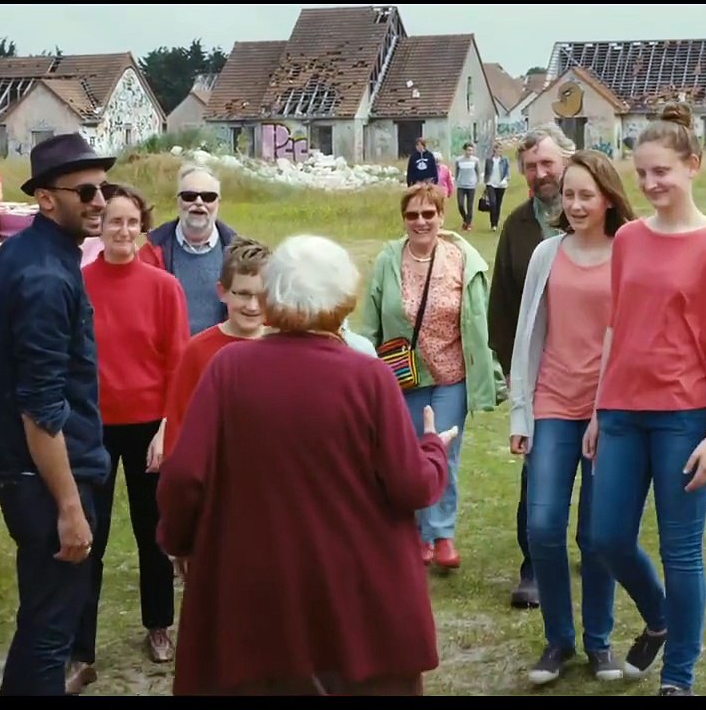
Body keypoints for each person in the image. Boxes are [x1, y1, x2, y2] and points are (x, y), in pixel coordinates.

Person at [156, 234, 457, 696]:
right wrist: (433, 448)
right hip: (357, 592)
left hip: (258, 585)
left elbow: (183, 475)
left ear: (273, 297)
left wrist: (179, 541)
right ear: (342, 300)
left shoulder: (229, 369)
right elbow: (410, 484)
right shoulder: (369, 376)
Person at [584, 102, 706, 697]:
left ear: (693, 167)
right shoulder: (628, 239)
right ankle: (658, 618)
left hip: (684, 417)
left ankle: (678, 676)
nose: (652, 184)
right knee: (605, 538)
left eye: (663, 172)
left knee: (682, 553)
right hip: (623, 414)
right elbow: (614, 326)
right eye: (643, 173)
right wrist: (600, 410)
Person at [0, 132, 117, 696]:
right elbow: (41, 408)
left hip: (35, 472)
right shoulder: (45, 276)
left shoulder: (37, 254)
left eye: (106, 189)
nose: (100, 201)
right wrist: (70, 509)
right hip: (45, 477)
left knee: (41, 622)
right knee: (52, 631)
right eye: (87, 192)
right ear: (47, 199)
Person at [509, 149, 662, 686]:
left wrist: (608, 409)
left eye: (585, 196)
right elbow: (528, 334)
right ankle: (558, 641)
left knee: (597, 536)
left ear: (607, 198)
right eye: (568, 194)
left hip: (612, 413)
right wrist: (520, 415)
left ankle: (598, 643)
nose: (574, 204)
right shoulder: (547, 255)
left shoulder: (630, 252)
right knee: (544, 526)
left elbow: (638, 335)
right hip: (552, 403)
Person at [67, 183, 190, 694]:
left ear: (143, 228)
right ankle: (80, 647)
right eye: (113, 222)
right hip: (93, 424)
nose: (122, 231)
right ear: (100, 226)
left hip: (148, 424)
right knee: (88, 539)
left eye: (131, 223)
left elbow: (178, 363)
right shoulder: (78, 283)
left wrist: (166, 427)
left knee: (153, 532)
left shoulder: (164, 287)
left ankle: (158, 626)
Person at [360, 182, 499, 569]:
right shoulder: (388, 260)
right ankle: (417, 534)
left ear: (441, 216)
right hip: (402, 377)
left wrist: (493, 370)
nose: (420, 222)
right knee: (407, 454)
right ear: (403, 220)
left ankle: (442, 535)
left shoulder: (461, 259)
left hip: (452, 375)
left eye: (428, 214)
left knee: (444, 452)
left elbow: (479, 321)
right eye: (412, 215)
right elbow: (371, 320)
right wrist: (362, 368)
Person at [487, 123, 576, 609]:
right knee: (537, 474)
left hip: (596, 370)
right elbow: (500, 303)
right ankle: (534, 568)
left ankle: (593, 548)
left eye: (547, 163)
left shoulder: (605, 218)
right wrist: (512, 368)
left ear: (567, 158)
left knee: (600, 468)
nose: (541, 174)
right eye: (531, 167)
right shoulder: (519, 226)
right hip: (540, 373)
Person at [153, 236, 271, 467]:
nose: (252, 306)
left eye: (262, 296)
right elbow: (180, 424)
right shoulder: (198, 350)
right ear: (222, 292)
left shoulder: (283, 347)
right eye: (243, 294)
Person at [138, 164, 241, 336]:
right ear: (177, 201)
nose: (198, 203)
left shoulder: (239, 254)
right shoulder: (150, 254)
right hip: (172, 359)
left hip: (222, 358)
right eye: (189, 196)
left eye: (208, 197)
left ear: (218, 203)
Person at [452, 142, 480, 232]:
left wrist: (477, 181)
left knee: (470, 206)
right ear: (465, 150)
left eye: (471, 150)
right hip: (461, 185)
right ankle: (465, 219)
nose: (470, 152)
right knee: (460, 204)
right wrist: (456, 181)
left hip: (471, 185)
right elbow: (456, 171)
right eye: (468, 150)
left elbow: (477, 171)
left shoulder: (475, 160)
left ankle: (468, 224)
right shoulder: (459, 160)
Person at [483, 142, 511, 232]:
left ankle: (496, 223)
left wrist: (506, 179)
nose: (500, 151)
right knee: (493, 203)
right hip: (491, 184)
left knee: (498, 204)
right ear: (494, 149)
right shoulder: (489, 160)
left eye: (501, 149)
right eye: (498, 149)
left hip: (501, 185)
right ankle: (493, 223)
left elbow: (507, 172)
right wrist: (485, 182)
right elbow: (486, 172)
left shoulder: (504, 160)